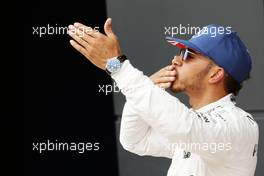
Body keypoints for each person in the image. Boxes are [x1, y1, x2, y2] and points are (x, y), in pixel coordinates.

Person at [67, 18, 259, 176]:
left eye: (188, 55)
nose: (175, 59)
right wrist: (147, 86)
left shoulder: (239, 124)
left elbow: (186, 128)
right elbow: (135, 139)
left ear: (215, 74)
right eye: (179, 52)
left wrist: (118, 67)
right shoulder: (195, 125)